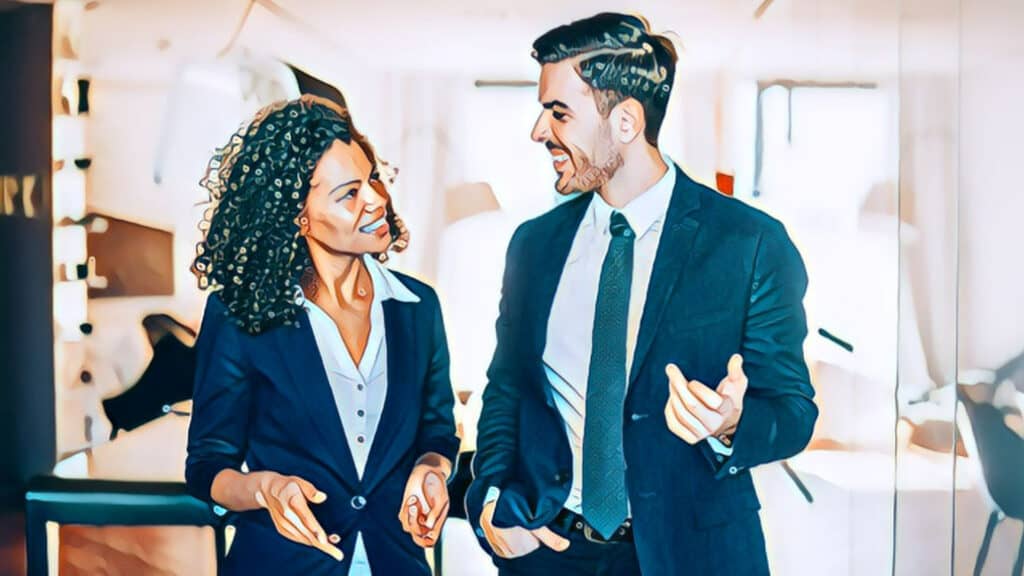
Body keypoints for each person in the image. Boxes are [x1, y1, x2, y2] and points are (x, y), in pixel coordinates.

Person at [466, 13, 818, 575]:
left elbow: (794, 411)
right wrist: (490, 502)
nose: (539, 131)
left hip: (696, 555)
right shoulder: (533, 246)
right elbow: (507, 387)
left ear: (625, 121)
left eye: (559, 112)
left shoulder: (750, 243)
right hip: (552, 553)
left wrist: (731, 422)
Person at [185, 95, 459, 575]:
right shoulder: (238, 316)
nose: (377, 200)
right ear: (299, 217)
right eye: (349, 193)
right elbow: (209, 464)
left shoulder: (418, 308)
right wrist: (263, 489)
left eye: (373, 178)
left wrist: (432, 469)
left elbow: (436, 430)